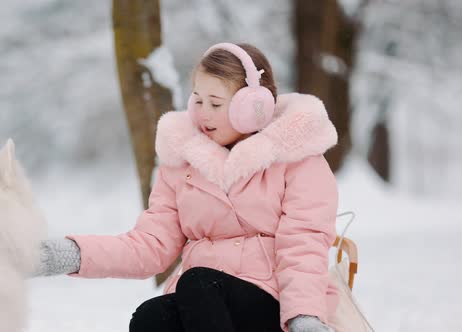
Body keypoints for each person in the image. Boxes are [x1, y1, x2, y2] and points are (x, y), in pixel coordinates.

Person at [36, 42, 340, 332]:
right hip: (203, 306)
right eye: (197, 99)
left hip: (274, 305)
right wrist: (70, 253)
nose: (203, 113)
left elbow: (303, 245)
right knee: (151, 318)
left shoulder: (297, 160)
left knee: (197, 283)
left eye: (215, 103)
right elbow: (150, 245)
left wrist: (304, 317)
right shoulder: (183, 164)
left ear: (254, 107)